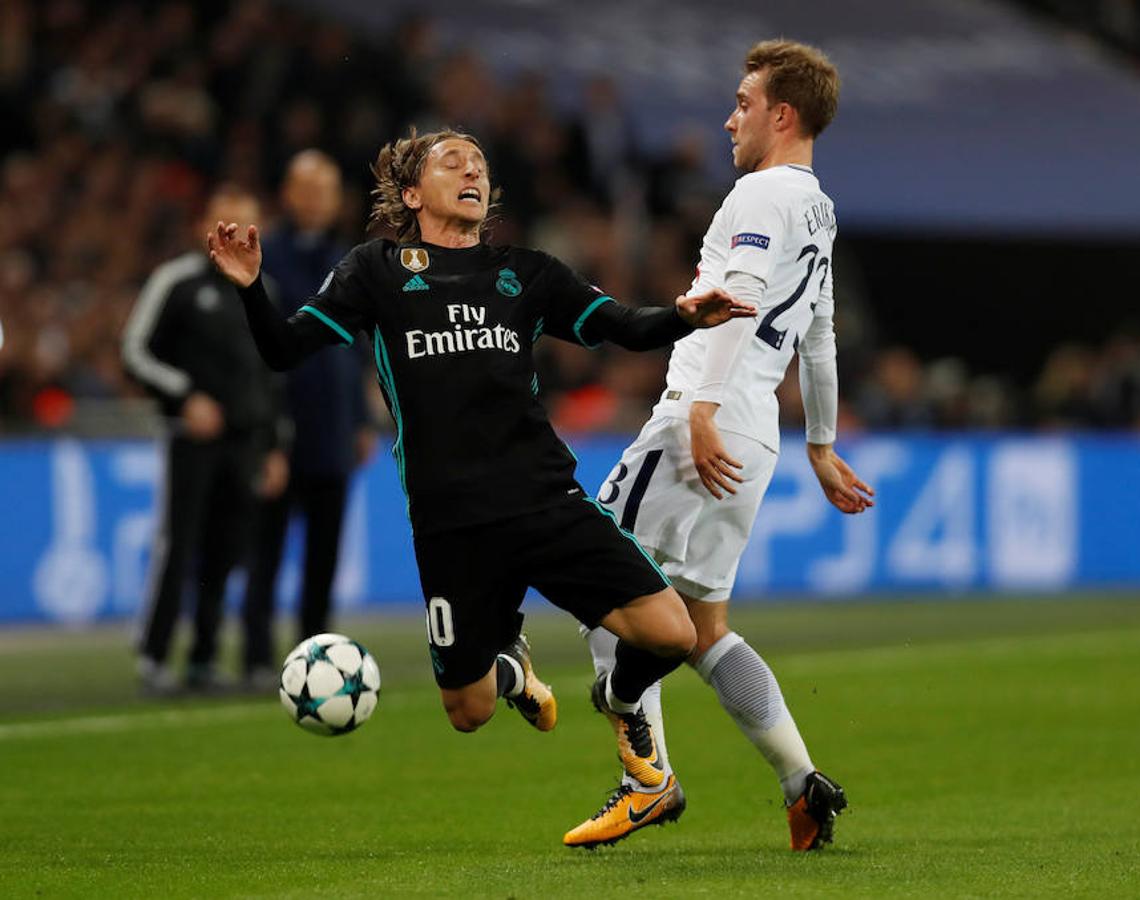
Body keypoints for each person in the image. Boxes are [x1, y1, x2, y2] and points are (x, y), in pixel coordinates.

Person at [207, 130, 757, 796]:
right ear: (412, 193)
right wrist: (249, 288)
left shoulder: (525, 274)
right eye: (453, 163)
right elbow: (283, 348)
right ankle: (509, 668)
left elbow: (622, 325)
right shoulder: (374, 271)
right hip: (451, 523)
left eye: (481, 166)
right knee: (468, 713)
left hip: (544, 501)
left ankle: (616, 698)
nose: (473, 172)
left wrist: (681, 315)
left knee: (671, 633)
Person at [564, 40, 874, 851]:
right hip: (757, 436)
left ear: (783, 114)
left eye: (743, 102)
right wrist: (819, 442)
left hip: (703, 421)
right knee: (702, 630)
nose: (728, 117)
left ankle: (648, 781)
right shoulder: (818, 208)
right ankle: (803, 782)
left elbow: (736, 300)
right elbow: (820, 336)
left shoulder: (758, 196)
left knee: (600, 582)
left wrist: (699, 408)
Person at [123, 185, 289, 694]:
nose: (236, 232)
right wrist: (185, 396)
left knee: (226, 551)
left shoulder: (265, 291)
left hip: (245, 444)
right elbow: (136, 351)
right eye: (226, 222)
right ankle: (153, 655)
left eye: (247, 223)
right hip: (191, 441)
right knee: (180, 544)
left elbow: (273, 373)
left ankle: (203, 657)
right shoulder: (176, 281)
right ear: (206, 227)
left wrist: (277, 443)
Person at [241, 150, 376, 688]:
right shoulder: (264, 255)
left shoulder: (349, 258)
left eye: (328, 189)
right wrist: (263, 430)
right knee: (266, 550)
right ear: (288, 194)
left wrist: (362, 419)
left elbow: (360, 345)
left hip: (333, 431)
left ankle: (315, 658)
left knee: (323, 556)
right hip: (280, 429)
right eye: (309, 187)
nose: (319, 199)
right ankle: (254, 655)